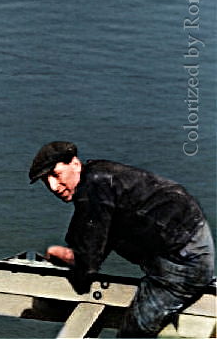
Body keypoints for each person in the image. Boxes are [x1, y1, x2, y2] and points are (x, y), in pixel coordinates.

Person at [29, 140, 215, 337]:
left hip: (184, 262)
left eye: (56, 175)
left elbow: (87, 265)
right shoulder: (99, 177)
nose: (53, 186)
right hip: (192, 243)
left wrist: (61, 256)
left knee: (133, 332)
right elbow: (88, 234)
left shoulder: (94, 190)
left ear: (75, 164)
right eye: (45, 180)